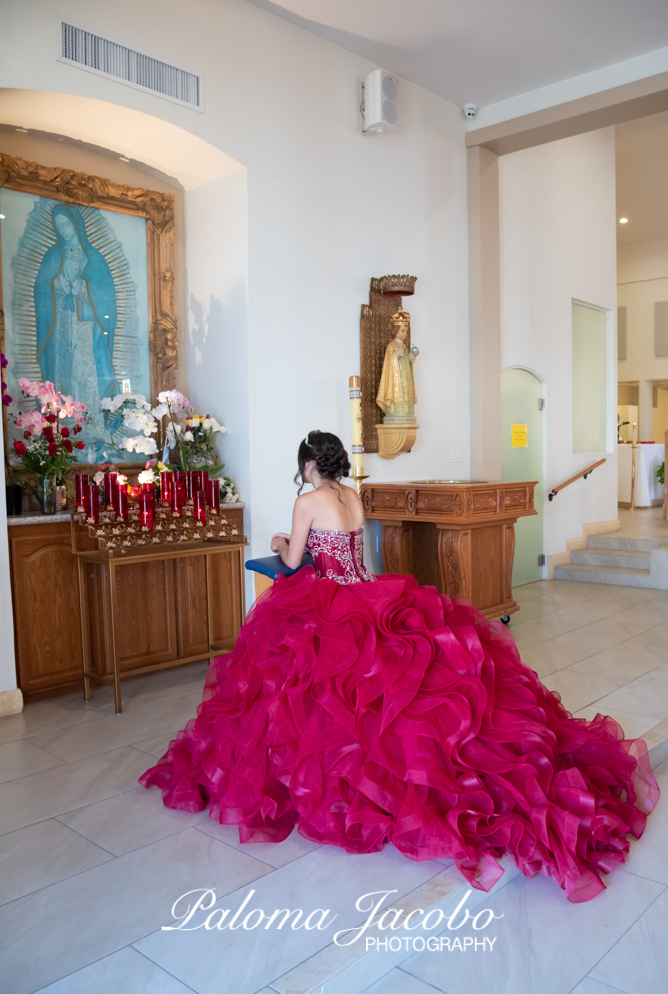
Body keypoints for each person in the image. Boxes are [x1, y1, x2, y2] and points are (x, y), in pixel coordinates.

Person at [140, 431, 659, 903]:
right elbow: (354, 556)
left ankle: (344, 782)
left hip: (328, 602)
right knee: (391, 690)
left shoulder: (307, 499)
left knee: (313, 687)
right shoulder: (352, 496)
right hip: (368, 593)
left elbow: (297, 563)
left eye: (300, 465)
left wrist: (278, 543)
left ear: (307, 465)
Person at [34, 203, 118, 442]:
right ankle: (63, 431)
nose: (63, 229)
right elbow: (42, 289)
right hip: (60, 323)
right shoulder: (52, 255)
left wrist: (81, 287)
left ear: (76, 224)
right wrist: (59, 284)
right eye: (59, 226)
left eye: (67, 224)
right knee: (63, 372)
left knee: (85, 370)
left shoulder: (94, 257)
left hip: (85, 326)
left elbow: (106, 295)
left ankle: (89, 428)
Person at [376, 309, 419, 423]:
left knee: (406, 391)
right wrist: (397, 354)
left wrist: (412, 355)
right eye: (403, 331)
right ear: (396, 331)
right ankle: (396, 410)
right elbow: (390, 361)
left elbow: (408, 360)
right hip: (397, 378)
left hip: (406, 376)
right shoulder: (391, 345)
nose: (405, 334)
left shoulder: (404, 346)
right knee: (398, 392)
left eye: (406, 331)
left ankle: (406, 410)